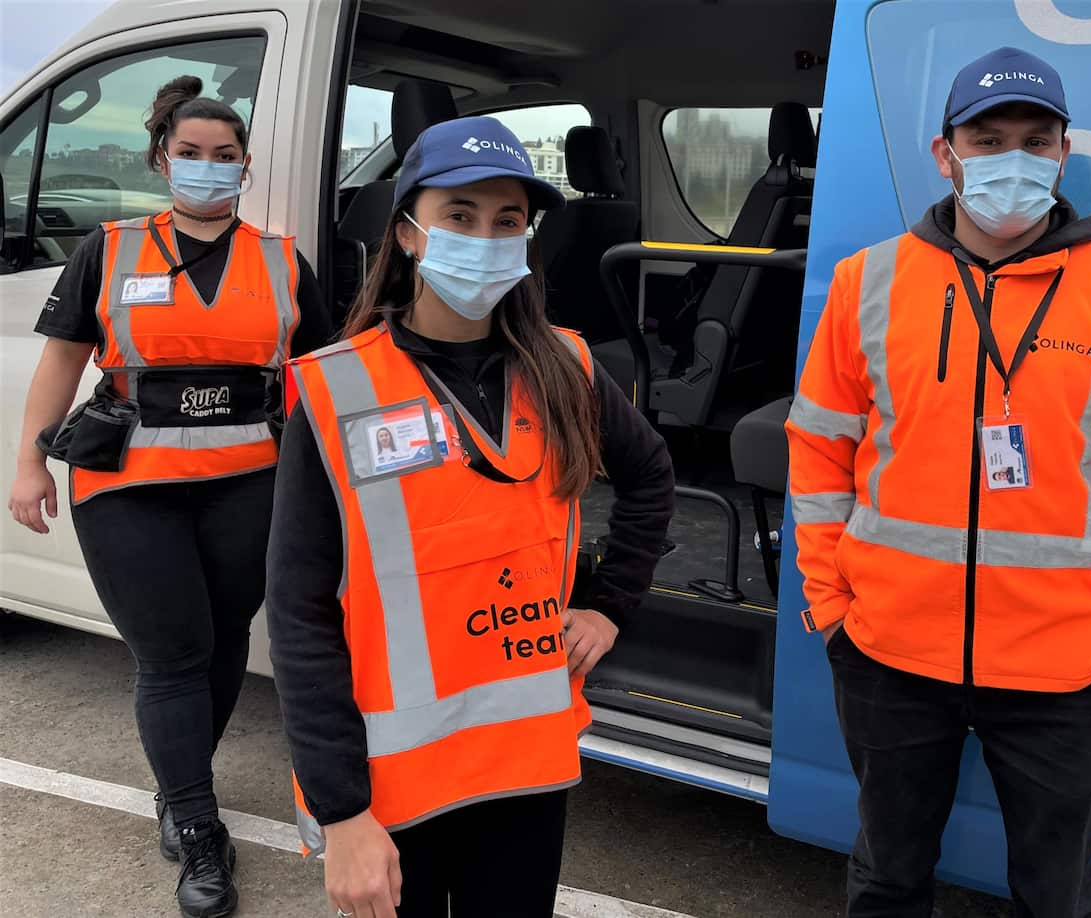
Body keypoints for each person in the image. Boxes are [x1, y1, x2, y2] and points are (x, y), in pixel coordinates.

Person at [786, 47, 1091, 918]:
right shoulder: (866, 282)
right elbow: (820, 453)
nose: (1011, 158)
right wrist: (833, 607)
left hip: (1073, 672)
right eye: (987, 140)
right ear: (945, 155)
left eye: (1034, 139)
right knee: (887, 882)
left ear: (1063, 153)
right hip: (889, 655)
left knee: (1056, 900)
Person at [266, 115, 675, 918]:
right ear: (408, 232)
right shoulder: (338, 389)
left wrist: (608, 605)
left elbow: (651, 474)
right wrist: (342, 813)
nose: (485, 239)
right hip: (393, 788)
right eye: (460, 215)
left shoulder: (565, 368)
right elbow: (299, 613)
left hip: (526, 770)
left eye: (507, 221)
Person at [7, 76, 332, 918]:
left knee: (223, 639)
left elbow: (321, 373)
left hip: (249, 480)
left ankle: (180, 780)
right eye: (190, 153)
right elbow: (62, 359)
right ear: (161, 160)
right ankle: (194, 822)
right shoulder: (109, 249)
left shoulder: (281, 260)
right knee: (173, 653)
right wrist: (31, 463)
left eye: (224, 156)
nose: (207, 167)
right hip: (129, 482)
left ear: (246, 166)